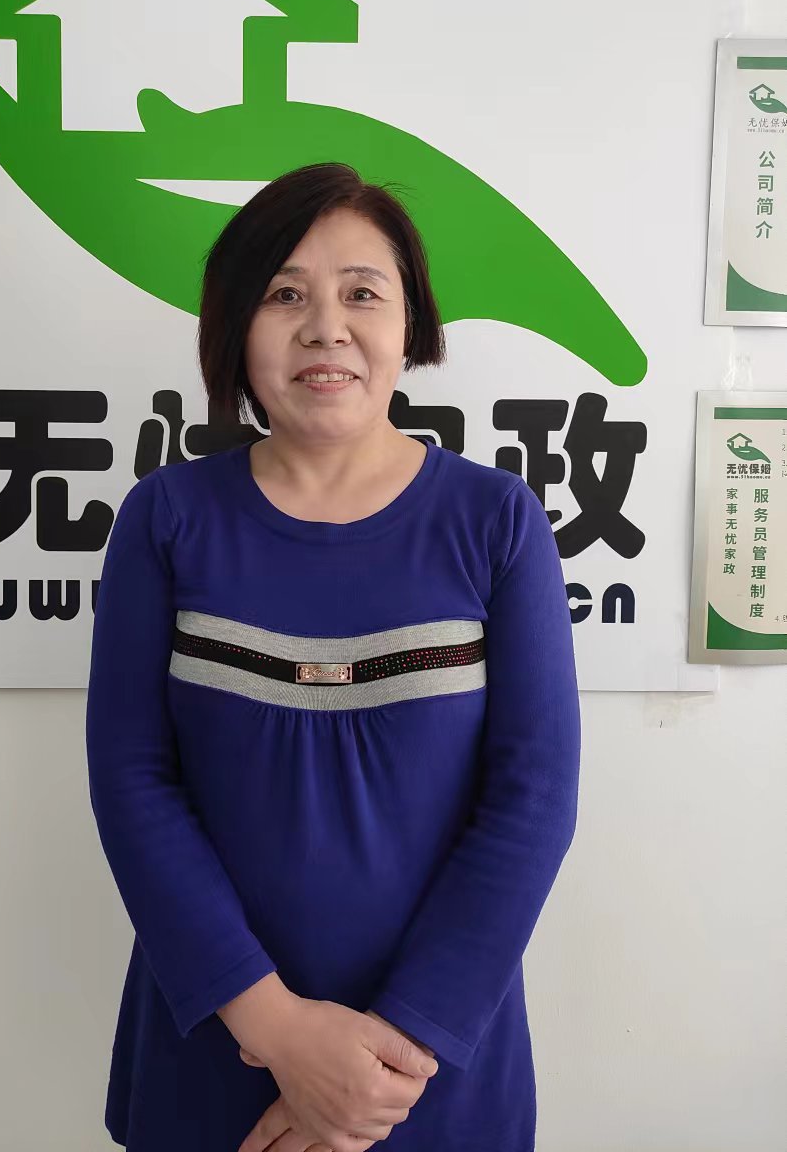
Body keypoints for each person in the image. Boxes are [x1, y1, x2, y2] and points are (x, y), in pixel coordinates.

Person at [85, 162, 581, 1152]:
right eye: (284, 294)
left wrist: (375, 1072)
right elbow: (133, 782)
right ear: (235, 325)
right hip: (217, 1047)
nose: (325, 328)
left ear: (410, 322)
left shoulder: (495, 521)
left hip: (432, 1066)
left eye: (362, 292)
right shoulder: (166, 519)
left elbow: (532, 800)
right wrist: (280, 1033)